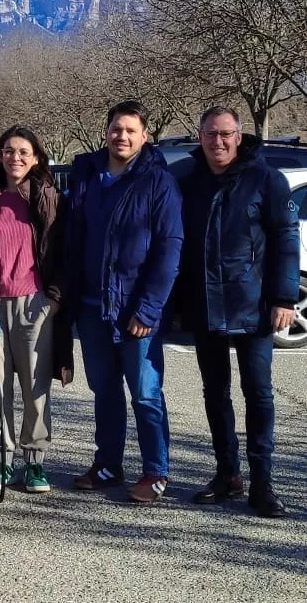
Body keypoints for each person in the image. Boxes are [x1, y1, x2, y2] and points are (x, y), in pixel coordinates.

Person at [177, 106, 298, 518]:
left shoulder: (267, 179)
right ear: (200, 135)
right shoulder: (188, 181)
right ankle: (227, 473)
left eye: (226, 134)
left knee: (259, 393)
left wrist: (283, 298)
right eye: (211, 134)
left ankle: (262, 482)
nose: (219, 142)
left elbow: (285, 239)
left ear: (240, 135)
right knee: (215, 393)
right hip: (205, 304)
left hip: (255, 305)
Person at [64, 101, 183, 503]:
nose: (123, 136)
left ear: (144, 135)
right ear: (107, 130)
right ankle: (108, 464)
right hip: (93, 305)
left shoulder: (157, 181)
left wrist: (149, 309)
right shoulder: (88, 176)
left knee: (146, 393)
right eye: (116, 128)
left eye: (131, 130)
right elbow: (74, 238)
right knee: (105, 391)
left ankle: (156, 470)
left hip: (137, 310)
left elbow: (169, 248)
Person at [0, 125, 73, 494]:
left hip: (34, 303)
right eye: (9, 151)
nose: (16, 158)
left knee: (35, 386)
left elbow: (60, 250)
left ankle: (35, 462)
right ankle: (2, 457)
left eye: (24, 152)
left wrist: (53, 298)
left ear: (37, 157)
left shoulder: (46, 196)